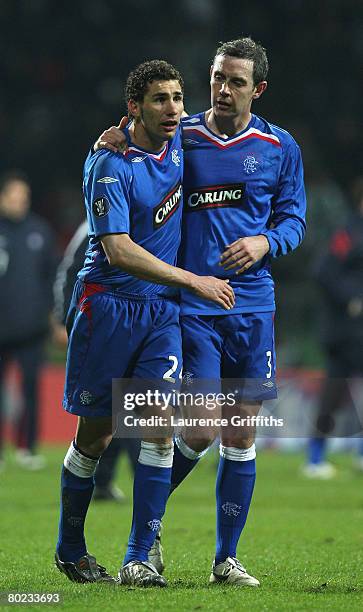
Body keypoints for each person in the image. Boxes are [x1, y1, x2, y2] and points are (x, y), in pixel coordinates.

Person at [96, 37, 306, 587]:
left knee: (239, 434)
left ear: (257, 89)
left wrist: (265, 243)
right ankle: (142, 543)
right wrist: (118, 137)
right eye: (216, 77)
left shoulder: (280, 147)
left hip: (253, 304)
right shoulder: (182, 133)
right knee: (200, 427)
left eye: (236, 81)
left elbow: (294, 219)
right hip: (191, 305)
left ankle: (224, 559)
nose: (222, 89)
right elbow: (137, 145)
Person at [54, 59, 234, 588]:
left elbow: (231, 127)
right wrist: (192, 280)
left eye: (179, 98)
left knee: (157, 427)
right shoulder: (109, 162)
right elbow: (117, 249)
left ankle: (139, 557)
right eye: (161, 99)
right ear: (134, 106)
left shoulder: (184, 139)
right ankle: (69, 547)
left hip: (161, 313)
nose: (174, 109)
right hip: (107, 304)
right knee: (97, 436)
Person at [52, 219, 140, 502]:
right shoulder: (92, 224)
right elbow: (68, 271)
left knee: (131, 408)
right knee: (106, 412)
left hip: (138, 321)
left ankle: (134, 482)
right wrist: (64, 317)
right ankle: (103, 480)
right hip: (101, 320)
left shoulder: (150, 219)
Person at [303, 177, 363, 478]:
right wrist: (351, 299)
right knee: (334, 392)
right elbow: (322, 269)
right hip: (346, 330)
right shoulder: (349, 232)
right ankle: (315, 455)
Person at [0, 171, 58, 470]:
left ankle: (28, 447)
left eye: (23, 198)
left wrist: (53, 320)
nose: (19, 202)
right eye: (13, 197)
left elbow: (52, 278)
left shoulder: (40, 231)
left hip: (32, 328)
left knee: (31, 389)